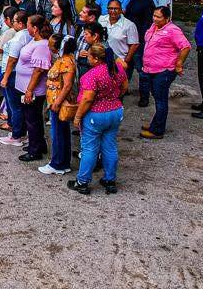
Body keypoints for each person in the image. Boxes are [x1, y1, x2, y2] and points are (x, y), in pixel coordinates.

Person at [68, 43, 127, 195]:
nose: (87, 58)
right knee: (110, 146)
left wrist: (78, 116)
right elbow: (124, 87)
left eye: (89, 56)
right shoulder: (118, 68)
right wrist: (113, 97)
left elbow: (87, 99)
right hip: (115, 111)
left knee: (89, 149)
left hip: (95, 114)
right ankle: (109, 179)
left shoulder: (91, 75)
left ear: (95, 59)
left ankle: (82, 182)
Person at [140, 5, 192, 139]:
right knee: (157, 97)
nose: (155, 19)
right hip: (152, 69)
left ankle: (157, 130)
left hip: (164, 70)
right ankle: (155, 124)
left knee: (161, 100)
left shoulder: (173, 30)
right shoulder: (154, 26)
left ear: (167, 18)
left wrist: (179, 64)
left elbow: (185, 47)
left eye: (158, 17)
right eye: (154, 16)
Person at [16, 16, 54, 162]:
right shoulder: (35, 40)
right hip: (26, 86)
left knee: (32, 119)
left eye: (28, 25)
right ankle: (39, 143)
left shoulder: (42, 45)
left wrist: (29, 90)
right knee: (33, 118)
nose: (27, 27)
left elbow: (38, 70)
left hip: (34, 90)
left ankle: (34, 151)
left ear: (35, 28)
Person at [40, 34, 78, 176]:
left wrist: (57, 102)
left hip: (59, 103)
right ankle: (63, 162)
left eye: (51, 44)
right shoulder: (63, 59)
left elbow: (67, 85)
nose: (49, 46)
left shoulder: (66, 62)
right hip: (55, 101)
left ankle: (57, 163)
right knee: (61, 132)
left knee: (57, 133)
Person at [0, 10, 31, 144]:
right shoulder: (27, 35)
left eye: (15, 21)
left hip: (12, 72)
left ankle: (16, 135)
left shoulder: (18, 38)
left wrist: (5, 77)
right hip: (20, 72)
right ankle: (21, 131)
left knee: (15, 106)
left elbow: (12, 59)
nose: (12, 23)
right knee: (19, 105)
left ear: (21, 24)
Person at [123, 0, 156, 105]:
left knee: (141, 69)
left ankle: (144, 96)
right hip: (130, 38)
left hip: (139, 40)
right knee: (127, 65)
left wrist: (143, 40)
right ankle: (123, 89)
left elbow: (147, 23)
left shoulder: (146, 2)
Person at [99, 0, 140, 65]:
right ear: (107, 9)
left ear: (121, 10)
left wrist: (125, 61)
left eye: (116, 9)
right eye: (111, 8)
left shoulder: (129, 25)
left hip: (119, 62)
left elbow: (134, 45)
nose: (113, 11)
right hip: (102, 60)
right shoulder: (101, 20)